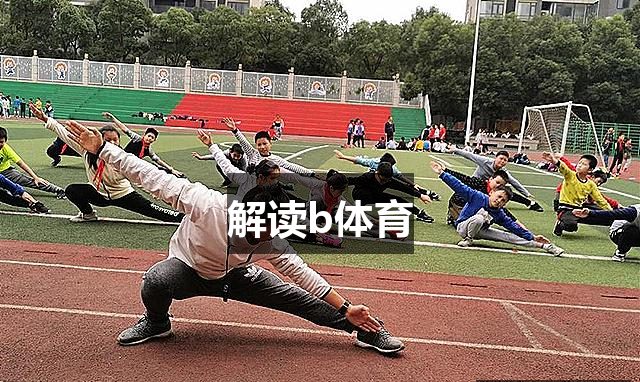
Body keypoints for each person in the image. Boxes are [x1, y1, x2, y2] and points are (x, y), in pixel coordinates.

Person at [65, 119, 405, 354]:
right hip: (188, 269)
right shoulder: (207, 204)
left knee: (298, 298)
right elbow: (149, 176)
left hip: (237, 276)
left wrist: (347, 307)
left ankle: (367, 330)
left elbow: (303, 275)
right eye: (259, 230)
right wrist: (103, 150)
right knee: (156, 279)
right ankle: (157, 322)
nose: (264, 238)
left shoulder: (273, 237)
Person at [31, 104, 184, 223]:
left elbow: (139, 177)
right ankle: (88, 214)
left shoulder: (121, 158)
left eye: (115, 140)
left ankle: (183, 218)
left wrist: (154, 192)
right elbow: (63, 132)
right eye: (107, 139)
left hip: (123, 195)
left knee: (158, 212)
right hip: (98, 194)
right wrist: (45, 118)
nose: (112, 143)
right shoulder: (86, 151)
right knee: (72, 190)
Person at [431, 161, 564, 256]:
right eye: (499, 196)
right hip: (463, 227)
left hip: (481, 230)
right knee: (479, 217)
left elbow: (513, 226)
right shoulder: (477, 196)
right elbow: (459, 185)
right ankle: (468, 240)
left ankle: (547, 247)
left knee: (508, 236)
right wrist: (442, 173)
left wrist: (532, 237)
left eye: (503, 200)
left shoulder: (499, 212)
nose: (499, 200)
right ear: (491, 192)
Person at [449, 147, 544, 212]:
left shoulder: (503, 172)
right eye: (501, 158)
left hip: (491, 188)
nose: (502, 161)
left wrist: (526, 194)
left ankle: (530, 203)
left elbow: (514, 182)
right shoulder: (485, 161)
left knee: (505, 192)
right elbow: (470, 155)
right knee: (463, 193)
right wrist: (455, 150)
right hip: (476, 184)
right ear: (496, 158)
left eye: (505, 160)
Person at [540, 151, 612, 236]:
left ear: (590, 170)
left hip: (579, 209)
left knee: (608, 218)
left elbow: (600, 200)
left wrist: (612, 213)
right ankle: (560, 223)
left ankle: (577, 218)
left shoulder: (591, 184)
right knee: (571, 226)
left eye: (584, 164)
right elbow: (563, 167)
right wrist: (553, 160)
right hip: (566, 209)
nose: (580, 165)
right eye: (580, 163)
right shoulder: (571, 175)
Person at [223, 117, 315, 177]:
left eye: (265, 144)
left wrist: (312, 174)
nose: (262, 147)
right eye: (259, 145)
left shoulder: (276, 159)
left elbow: (292, 166)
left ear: (270, 143)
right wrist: (234, 130)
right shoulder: (252, 154)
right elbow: (243, 142)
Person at [102, 112, 185, 178]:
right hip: (123, 160)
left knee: (156, 168)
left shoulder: (149, 150)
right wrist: (113, 118)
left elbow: (158, 160)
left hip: (133, 166)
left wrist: (171, 169)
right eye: (149, 136)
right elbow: (125, 129)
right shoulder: (137, 139)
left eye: (152, 138)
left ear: (154, 140)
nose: (149, 138)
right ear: (144, 135)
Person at [334, 150, 441, 201]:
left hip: (381, 185)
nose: (390, 167)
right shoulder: (374, 163)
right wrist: (343, 157)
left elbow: (401, 178)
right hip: (368, 185)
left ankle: (426, 193)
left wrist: (414, 185)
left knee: (404, 187)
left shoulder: (392, 170)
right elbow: (359, 160)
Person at [349, 162, 435, 223]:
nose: (384, 182)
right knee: (365, 194)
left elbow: (403, 188)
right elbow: (350, 180)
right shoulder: (366, 178)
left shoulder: (388, 180)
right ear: (377, 173)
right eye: (382, 180)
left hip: (375, 195)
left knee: (396, 199)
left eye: (387, 180)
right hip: (360, 195)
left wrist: (420, 195)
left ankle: (419, 213)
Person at [0, 126, 66, 199]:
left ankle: (58, 190)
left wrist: (35, 177)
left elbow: (21, 163)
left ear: (6, 141)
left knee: (29, 181)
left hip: (7, 172)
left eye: (1, 142)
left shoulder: (6, 149)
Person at [552, 155, 619, 212]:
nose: (598, 184)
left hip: (576, 205)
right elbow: (567, 167)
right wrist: (559, 159)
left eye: (601, 183)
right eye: (599, 181)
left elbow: (600, 198)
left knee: (598, 210)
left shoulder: (590, 184)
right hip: (563, 201)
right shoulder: (576, 174)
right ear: (593, 177)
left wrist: (613, 209)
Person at [573, 205, 639, 262]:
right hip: (618, 233)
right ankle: (620, 252)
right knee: (631, 230)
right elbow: (612, 214)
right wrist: (590, 213)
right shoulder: (633, 212)